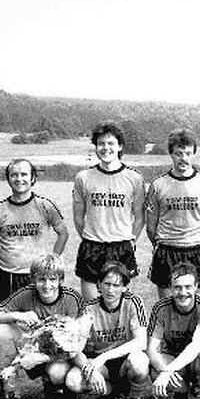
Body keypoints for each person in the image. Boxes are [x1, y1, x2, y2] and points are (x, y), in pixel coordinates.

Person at [0, 254, 86, 399]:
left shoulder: (71, 299)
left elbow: (74, 345)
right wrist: (18, 316)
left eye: (52, 279)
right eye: (41, 280)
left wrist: (38, 358)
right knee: (1, 330)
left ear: (60, 280)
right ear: (33, 279)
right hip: (31, 345)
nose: (47, 285)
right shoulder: (26, 293)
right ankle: (13, 395)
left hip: (60, 355)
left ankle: (59, 386)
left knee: (57, 373)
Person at [65, 261, 150, 399]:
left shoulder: (133, 302)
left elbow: (141, 341)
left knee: (140, 362)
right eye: (107, 284)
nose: (111, 290)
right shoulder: (88, 308)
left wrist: (105, 356)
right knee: (73, 381)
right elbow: (74, 349)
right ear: (99, 285)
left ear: (125, 287)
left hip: (124, 360)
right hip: (100, 364)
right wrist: (91, 372)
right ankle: (109, 392)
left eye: (116, 285)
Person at [73, 122, 146, 301]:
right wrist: (91, 237)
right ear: (96, 147)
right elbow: (77, 216)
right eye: (101, 144)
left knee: (121, 308)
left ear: (119, 146)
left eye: (111, 143)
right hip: (92, 247)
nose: (106, 148)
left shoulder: (134, 178)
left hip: (121, 247)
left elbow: (139, 217)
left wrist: (131, 239)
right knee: (91, 308)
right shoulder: (83, 178)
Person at [146, 128, 200, 299]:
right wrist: (163, 243)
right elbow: (151, 226)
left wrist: (198, 242)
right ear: (171, 154)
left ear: (194, 154)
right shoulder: (158, 185)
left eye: (188, 153)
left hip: (197, 251)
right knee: (165, 309)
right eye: (179, 153)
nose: (184, 158)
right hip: (167, 252)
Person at [0, 158, 69, 301]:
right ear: (8, 179)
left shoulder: (46, 205)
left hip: (36, 276)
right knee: (4, 318)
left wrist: (53, 259)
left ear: (32, 178)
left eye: (24, 174)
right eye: (14, 175)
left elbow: (63, 233)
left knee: (36, 319)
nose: (19, 179)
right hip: (6, 275)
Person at [146, 262, 200, 399]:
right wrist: (164, 369)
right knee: (155, 365)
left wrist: (168, 372)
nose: (183, 292)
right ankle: (181, 393)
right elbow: (151, 349)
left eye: (188, 287)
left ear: (196, 286)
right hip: (172, 356)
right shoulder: (160, 307)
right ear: (170, 287)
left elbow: (197, 345)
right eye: (177, 287)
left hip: (194, 359)